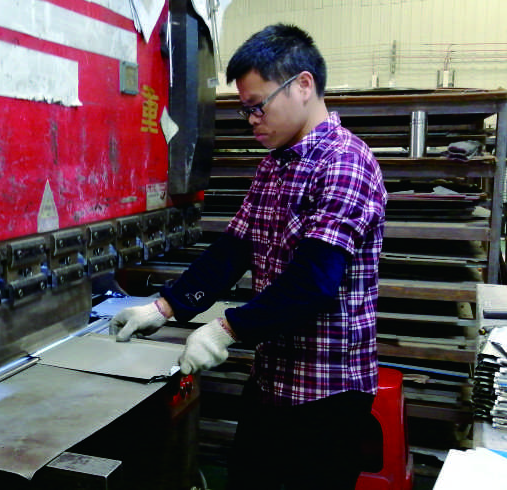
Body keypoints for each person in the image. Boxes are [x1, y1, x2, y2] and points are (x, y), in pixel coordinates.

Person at [110, 24, 386, 489]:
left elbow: (314, 282)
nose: (252, 120)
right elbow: (233, 250)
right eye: (245, 110)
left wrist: (226, 329)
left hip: (326, 394)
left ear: (303, 85)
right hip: (272, 379)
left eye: (258, 106)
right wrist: (165, 307)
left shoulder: (345, 163)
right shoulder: (274, 166)